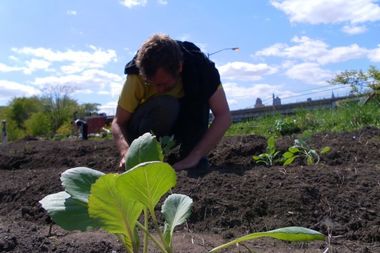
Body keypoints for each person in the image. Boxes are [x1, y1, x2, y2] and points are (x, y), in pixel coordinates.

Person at [112, 34, 231, 171]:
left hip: (182, 125)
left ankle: (189, 153)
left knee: (199, 103)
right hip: (143, 129)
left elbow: (224, 116)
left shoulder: (201, 69)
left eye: (163, 84)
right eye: (151, 84)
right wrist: (126, 152)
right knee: (166, 105)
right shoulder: (136, 74)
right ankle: (145, 156)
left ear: (179, 67)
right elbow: (118, 122)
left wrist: (195, 156)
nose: (158, 89)